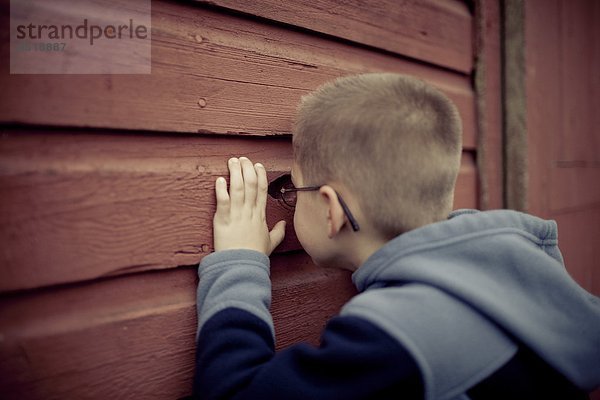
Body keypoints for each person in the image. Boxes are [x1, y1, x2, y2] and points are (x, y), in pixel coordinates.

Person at [192, 73, 600, 399]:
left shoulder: (395, 340)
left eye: (293, 189)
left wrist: (239, 262)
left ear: (332, 210)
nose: (291, 199)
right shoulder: (520, 275)